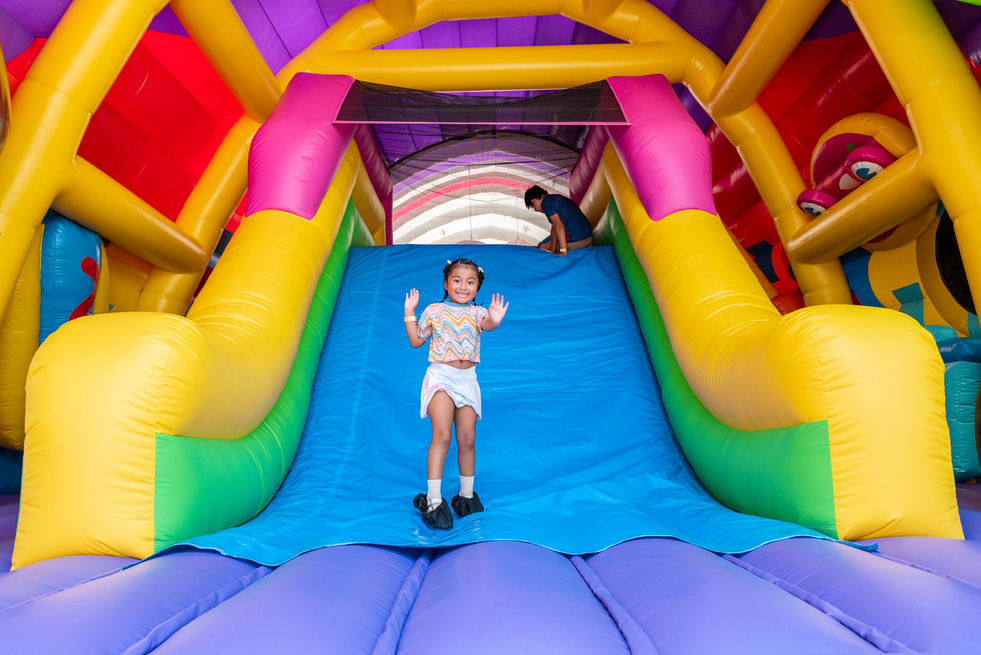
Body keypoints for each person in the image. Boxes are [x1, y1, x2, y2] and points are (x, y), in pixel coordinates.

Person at [403, 258, 509, 530]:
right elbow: (416, 341)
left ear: (477, 286)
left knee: (468, 439)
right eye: (457, 280)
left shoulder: (477, 312)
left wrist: (495, 319)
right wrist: (409, 312)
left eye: (470, 282)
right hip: (441, 377)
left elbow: (488, 325)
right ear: (446, 283)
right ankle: (434, 500)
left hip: (467, 380)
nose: (463, 286)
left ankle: (465, 495)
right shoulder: (434, 310)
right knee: (442, 435)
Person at [524, 184, 593, 256]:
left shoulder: (546, 203)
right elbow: (554, 228)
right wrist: (552, 250)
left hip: (579, 242)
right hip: (588, 238)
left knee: (542, 246)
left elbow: (559, 226)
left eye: (533, 207)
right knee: (548, 245)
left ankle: (562, 250)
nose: (535, 209)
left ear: (533, 201)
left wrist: (563, 251)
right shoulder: (555, 199)